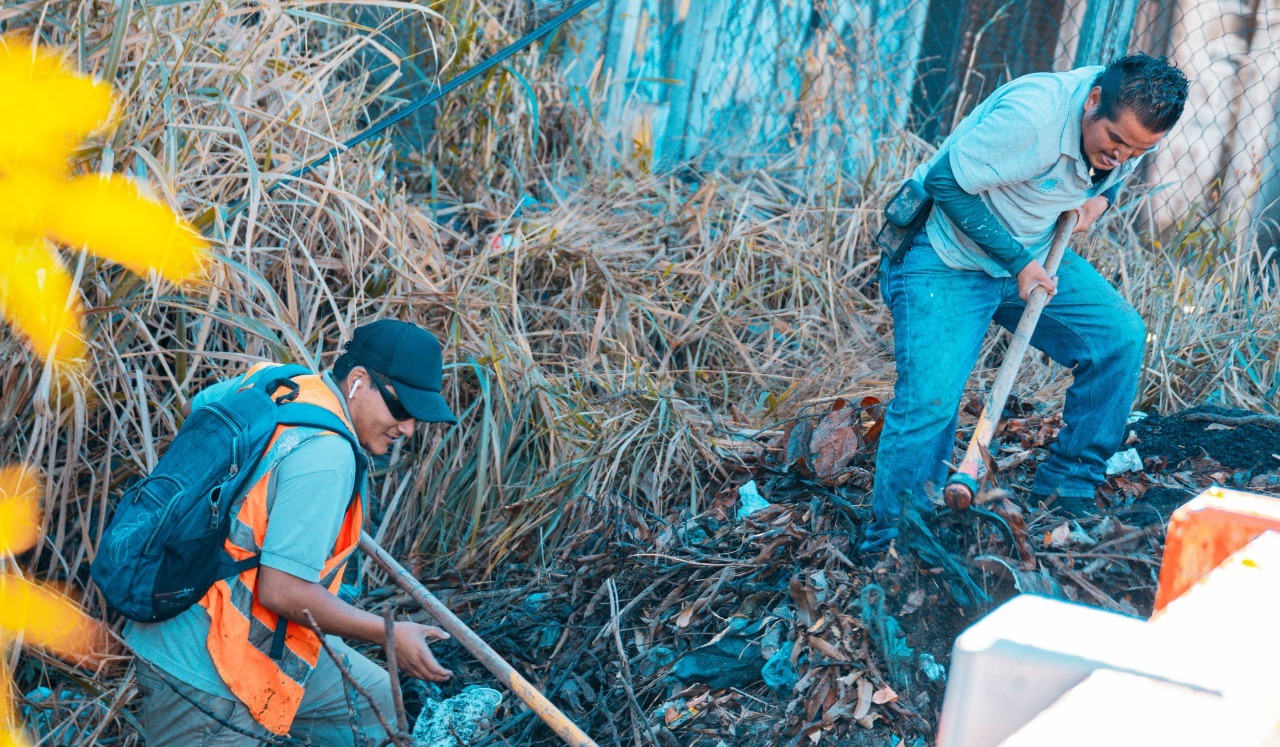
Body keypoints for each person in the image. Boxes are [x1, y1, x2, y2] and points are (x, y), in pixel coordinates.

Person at [862, 54, 1190, 554]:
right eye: (1116, 142)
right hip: (945, 253)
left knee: (1117, 339)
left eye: (1138, 149)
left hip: (1030, 248)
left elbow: (1115, 179)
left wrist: (1097, 202)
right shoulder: (1034, 116)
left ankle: (1068, 486)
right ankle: (894, 543)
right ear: (1094, 100)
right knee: (930, 400)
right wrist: (1018, 263)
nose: (1122, 154)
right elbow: (945, 182)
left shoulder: (1136, 125)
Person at [125, 319, 459, 744]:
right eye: (401, 409)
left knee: (375, 704)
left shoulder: (277, 381)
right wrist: (390, 634)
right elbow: (282, 592)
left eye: (417, 416)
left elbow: (196, 409)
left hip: (232, 629)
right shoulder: (328, 455)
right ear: (358, 381)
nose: (408, 428)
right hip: (204, 665)